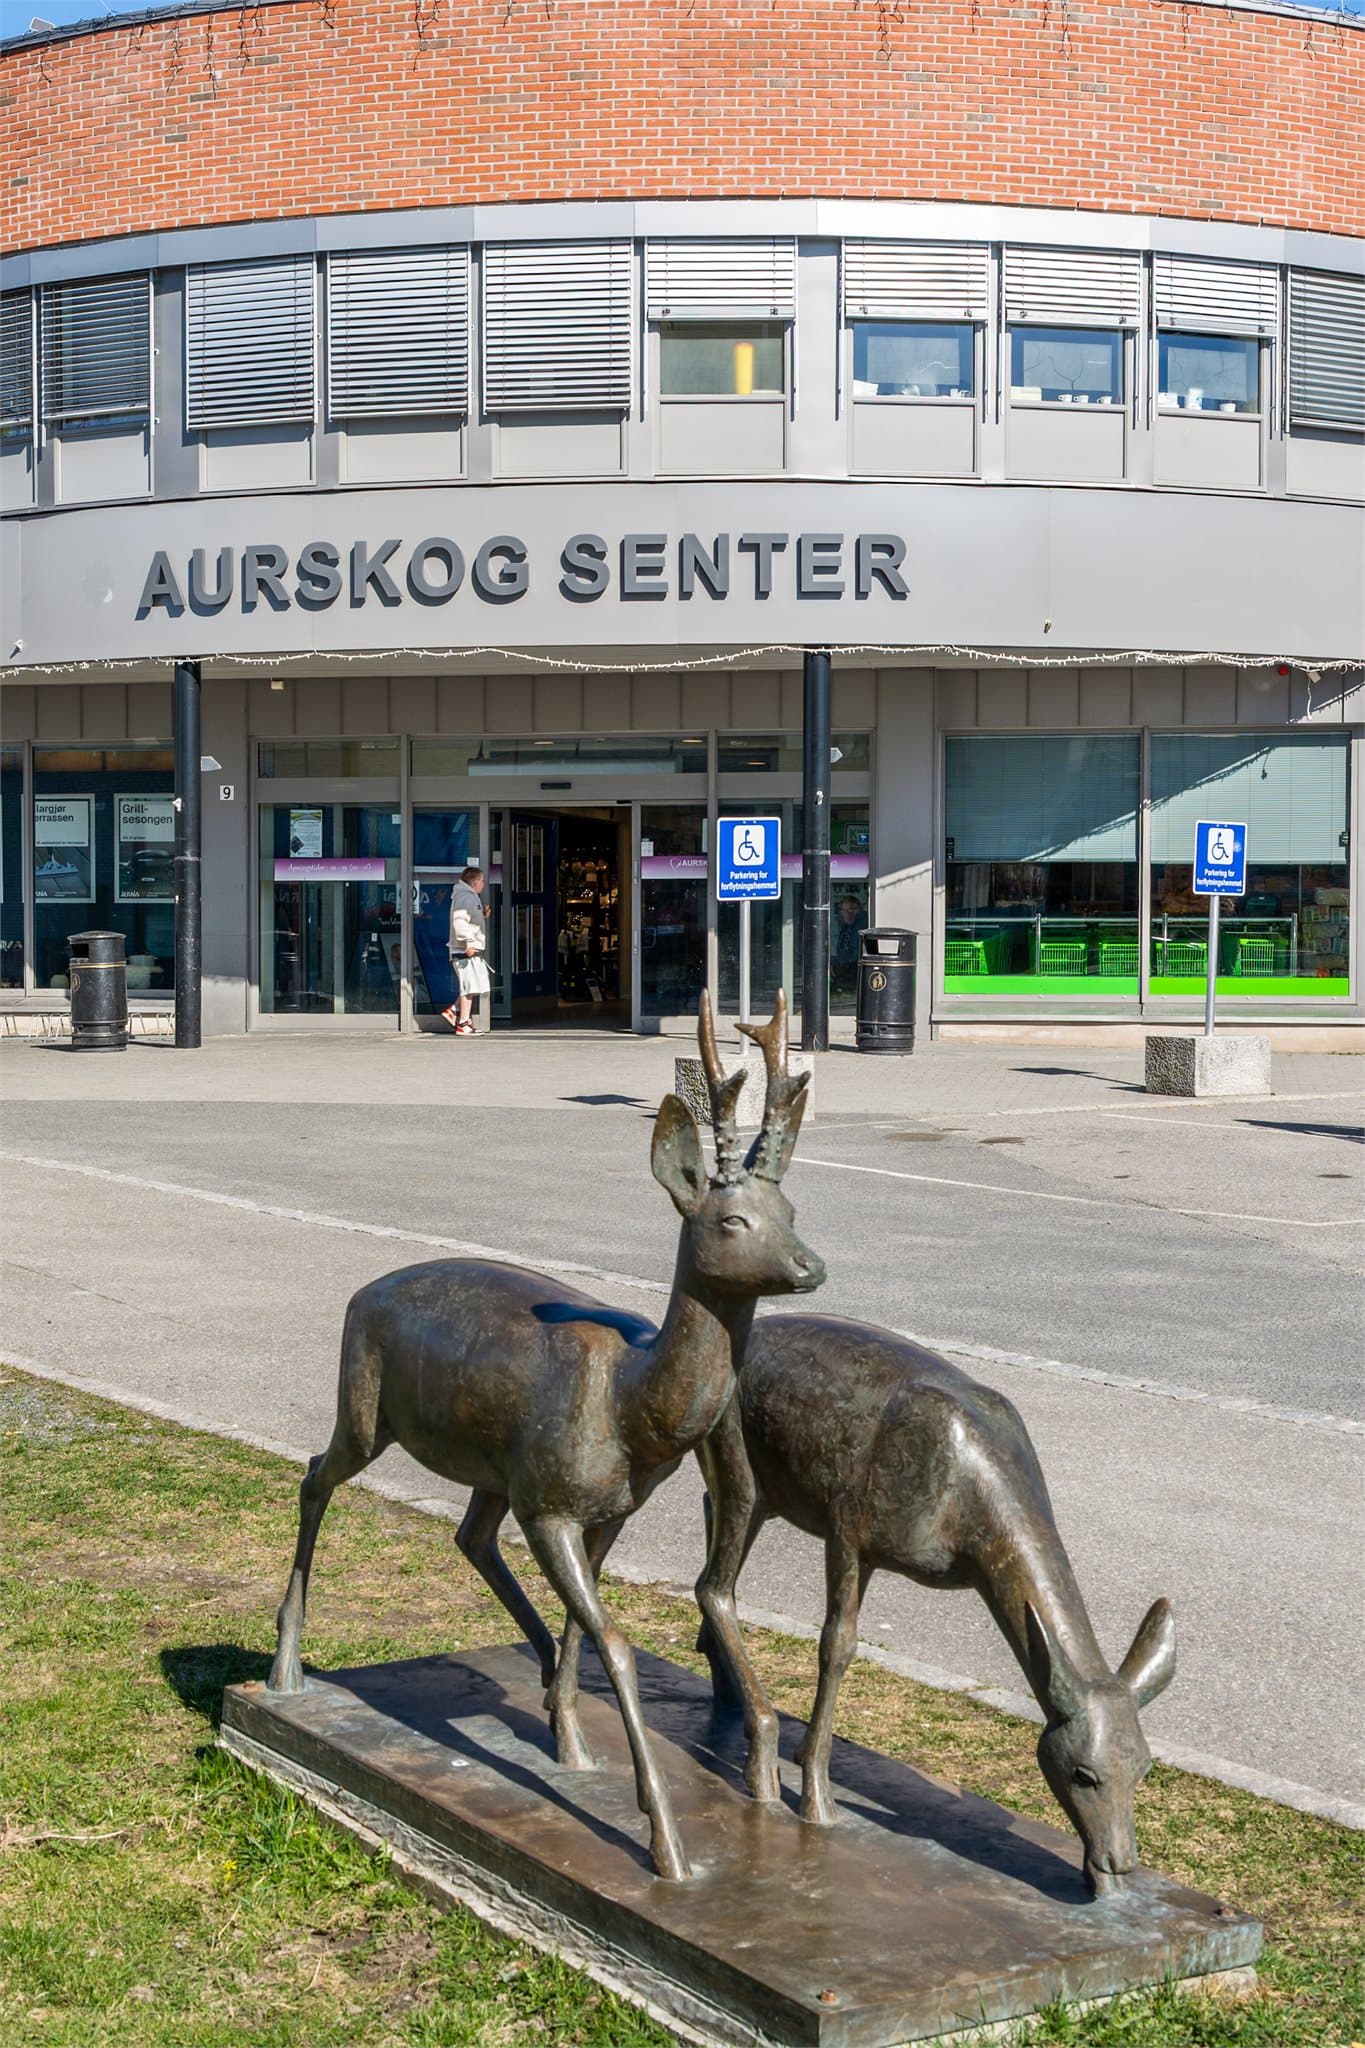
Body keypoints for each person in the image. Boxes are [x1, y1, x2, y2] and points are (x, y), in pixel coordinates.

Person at [443, 865, 489, 1035]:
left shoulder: (470, 897)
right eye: (482, 880)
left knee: (473, 984)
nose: (484, 884)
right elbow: (459, 922)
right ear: (474, 881)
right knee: (469, 987)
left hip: (467, 948)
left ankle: (456, 1012)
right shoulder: (466, 897)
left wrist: (482, 915)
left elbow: (468, 919)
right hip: (464, 949)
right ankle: (462, 1022)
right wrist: (469, 942)